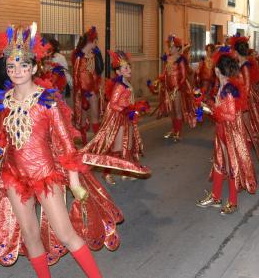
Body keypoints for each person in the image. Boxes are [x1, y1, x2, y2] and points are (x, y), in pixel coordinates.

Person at [0, 23, 150, 278]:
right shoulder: (5, 100)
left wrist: (75, 182)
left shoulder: (47, 101)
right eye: (11, 66)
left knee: (66, 233)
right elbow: (5, 136)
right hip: (14, 176)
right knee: (30, 235)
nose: (17, 71)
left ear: (34, 67)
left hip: (46, 175)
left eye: (23, 65)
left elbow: (67, 147)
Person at [195, 47, 259, 215]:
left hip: (230, 133)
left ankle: (233, 202)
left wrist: (208, 109)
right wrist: (205, 103)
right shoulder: (223, 87)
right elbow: (221, 110)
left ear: (217, 70)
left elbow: (229, 115)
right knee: (219, 163)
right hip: (222, 130)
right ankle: (216, 196)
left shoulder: (229, 90)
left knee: (232, 165)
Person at [83, 50, 149, 185]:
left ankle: (125, 172)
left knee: (128, 145)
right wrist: (127, 110)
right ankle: (106, 174)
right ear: (118, 72)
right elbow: (113, 104)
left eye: (129, 66)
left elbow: (128, 101)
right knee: (117, 148)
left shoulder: (127, 83)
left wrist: (135, 109)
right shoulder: (119, 86)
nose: (129, 69)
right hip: (118, 118)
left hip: (127, 118)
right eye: (125, 67)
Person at [229, 34, 259, 154]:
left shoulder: (245, 65)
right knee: (249, 121)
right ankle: (247, 143)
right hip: (243, 95)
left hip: (246, 97)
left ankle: (250, 144)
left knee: (250, 121)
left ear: (236, 51)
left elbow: (246, 85)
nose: (231, 52)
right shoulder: (241, 64)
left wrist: (242, 100)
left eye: (232, 50)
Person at [147, 34, 197, 142]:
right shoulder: (168, 59)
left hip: (177, 89)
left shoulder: (181, 60)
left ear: (178, 48)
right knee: (172, 111)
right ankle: (174, 130)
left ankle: (178, 132)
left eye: (172, 47)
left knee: (178, 110)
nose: (170, 48)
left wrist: (177, 87)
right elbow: (165, 74)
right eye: (169, 46)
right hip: (168, 88)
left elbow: (183, 77)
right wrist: (157, 80)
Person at [72, 27, 104, 143]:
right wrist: (81, 93)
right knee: (82, 119)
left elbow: (100, 70)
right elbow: (76, 76)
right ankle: (84, 142)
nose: (97, 43)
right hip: (82, 92)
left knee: (95, 116)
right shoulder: (78, 57)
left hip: (93, 90)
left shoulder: (94, 55)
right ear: (92, 41)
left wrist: (99, 54)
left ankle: (98, 143)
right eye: (96, 41)